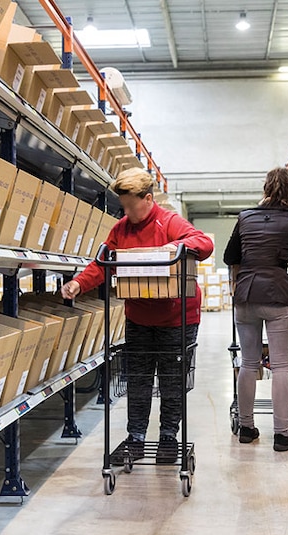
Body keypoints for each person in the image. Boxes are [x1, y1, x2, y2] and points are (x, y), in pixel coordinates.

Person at [62, 168, 214, 463]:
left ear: (148, 198)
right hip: (139, 317)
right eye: (124, 206)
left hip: (177, 318)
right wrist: (79, 283)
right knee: (138, 379)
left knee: (172, 380)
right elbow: (102, 263)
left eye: (132, 205)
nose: (128, 212)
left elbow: (204, 244)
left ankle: (169, 436)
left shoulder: (169, 222)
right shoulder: (120, 230)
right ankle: (136, 437)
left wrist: (179, 246)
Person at [223, 167, 288, 451]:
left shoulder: (245, 218)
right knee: (280, 367)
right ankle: (282, 434)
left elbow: (229, 256)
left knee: (249, 364)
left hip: (246, 294)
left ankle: (247, 428)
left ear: (265, 189)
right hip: (277, 295)